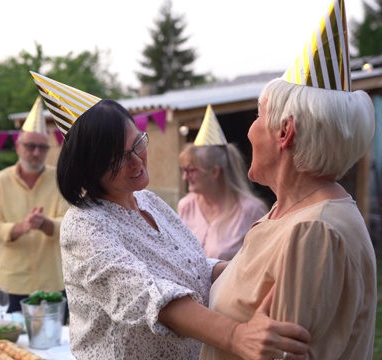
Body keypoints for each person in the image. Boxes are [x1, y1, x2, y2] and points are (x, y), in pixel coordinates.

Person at [31, 71, 310, 360]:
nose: (137, 161)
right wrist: (235, 335)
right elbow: (147, 295)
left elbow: (195, 266)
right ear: (86, 168)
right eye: (118, 158)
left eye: (138, 143)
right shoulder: (85, 224)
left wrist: (255, 267)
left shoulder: (149, 201)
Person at [200, 1, 377, 359]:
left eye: (258, 115)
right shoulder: (288, 214)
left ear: (285, 132)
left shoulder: (314, 232)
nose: (249, 130)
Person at [0, 97, 69, 314]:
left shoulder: (60, 178)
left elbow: (71, 223)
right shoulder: (0, 180)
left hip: (52, 283)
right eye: (31, 146)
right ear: (18, 147)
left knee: (54, 344)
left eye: (42, 147)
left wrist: (45, 224)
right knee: (12, 343)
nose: (36, 153)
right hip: (13, 283)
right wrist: (20, 227)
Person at [178, 105, 267, 260]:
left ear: (214, 172)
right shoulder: (186, 206)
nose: (185, 178)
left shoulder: (250, 211)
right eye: (183, 170)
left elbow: (261, 264)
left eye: (191, 170)